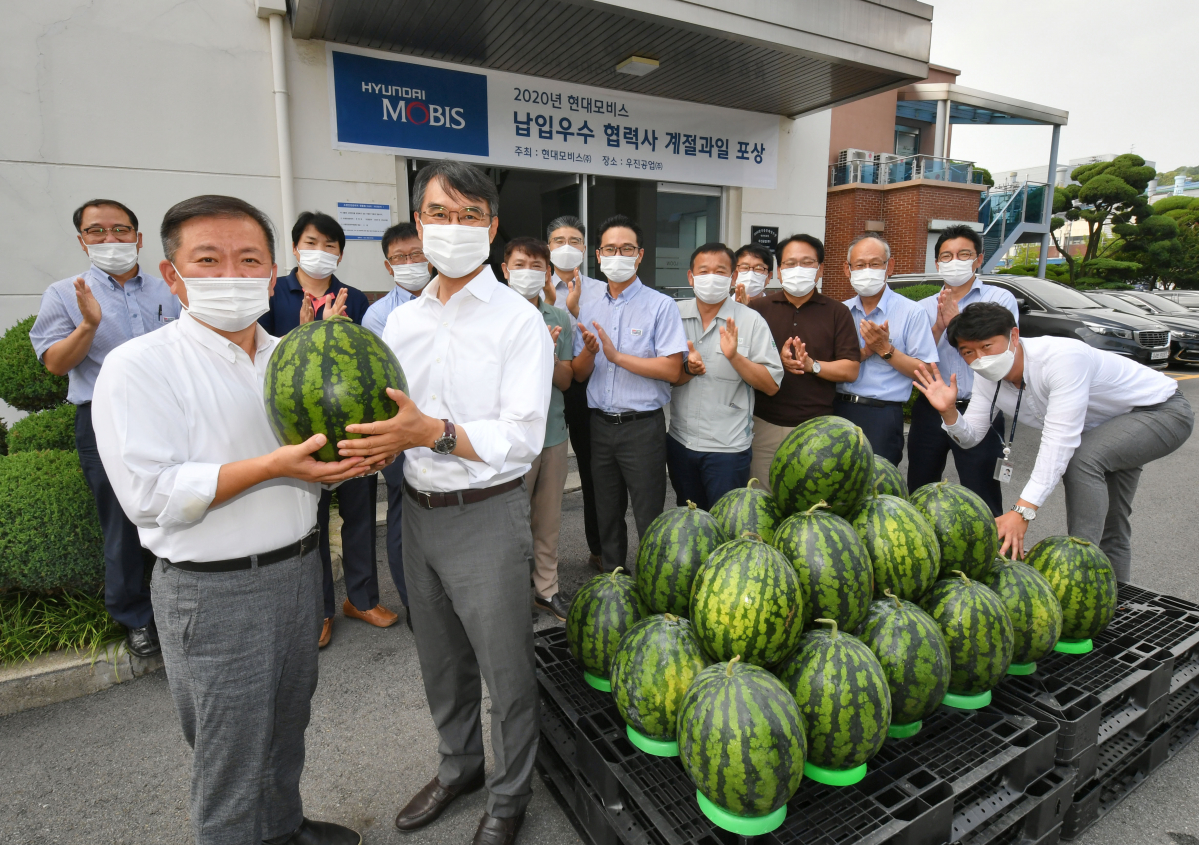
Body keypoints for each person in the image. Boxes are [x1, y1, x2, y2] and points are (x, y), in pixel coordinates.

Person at [91, 194, 368, 845]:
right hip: (213, 591)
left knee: (285, 728)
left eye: (247, 260)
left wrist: (350, 460)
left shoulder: (288, 356)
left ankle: (283, 828)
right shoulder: (139, 365)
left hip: (298, 575)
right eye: (208, 260)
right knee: (231, 763)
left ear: (271, 274)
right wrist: (272, 466)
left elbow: (317, 464)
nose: (231, 274)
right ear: (172, 274)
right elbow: (149, 495)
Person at [338, 160, 552, 845]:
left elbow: (522, 439)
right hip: (416, 513)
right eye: (438, 214)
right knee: (440, 662)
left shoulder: (518, 321)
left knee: (505, 669)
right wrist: (378, 448)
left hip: (486, 513)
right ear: (418, 223)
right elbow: (389, 419)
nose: (452, 228)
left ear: (491, 228)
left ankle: (509, 796)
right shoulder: (399, 323)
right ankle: (460, 767)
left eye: (468, 216)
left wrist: (430, 432)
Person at [913, 302, 1193, 581]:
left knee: (1082, 459)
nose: (980, 358)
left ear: (1013, 336)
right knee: (1112, 521)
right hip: (1106, 430)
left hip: (1161, 411)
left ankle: (1079, 565)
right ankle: (1115, 595)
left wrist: (1022, 511)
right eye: (968, 352)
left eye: (987, 346)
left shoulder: (1061, 359)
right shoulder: (987, 376)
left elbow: (1059, 442)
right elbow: (971, 437)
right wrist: (949, 412)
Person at [30, 198, 181, 659]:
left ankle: (178, 605)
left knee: (178, 505)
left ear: (138, 236)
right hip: (104, 417)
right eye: (97, 231)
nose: (110, 239)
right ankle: (135, 617)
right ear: (82, 240)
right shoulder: (64, 294)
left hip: (170, 412)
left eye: (120, 230)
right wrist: (88, 325)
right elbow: (56, 363)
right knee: (121, 519)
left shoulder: (169, 288)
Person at [259, 211, 397, 647]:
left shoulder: (355, 299)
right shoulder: (273, 294)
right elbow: (261, 360)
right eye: (312, 243)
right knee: (311, 524)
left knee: (360, 517)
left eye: (330, 245)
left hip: (353, 425)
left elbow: (369, 359)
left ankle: (362, 598)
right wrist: (302, 334)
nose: (321, 252)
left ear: (340, 253)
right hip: (300, 430)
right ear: (296, 247)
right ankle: (319, 610)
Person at [572, 215, 688, 573]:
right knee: (606, 512)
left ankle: (652, 583)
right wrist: (590, 351)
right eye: (610, 249)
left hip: (642, 428)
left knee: (648, 514)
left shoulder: (660, 305)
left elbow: (672, 369)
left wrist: (617, 356)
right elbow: (579, 373)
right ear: (598, 255)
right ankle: (614, 581)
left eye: (626, 249)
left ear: (640, 255)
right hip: (600, 426)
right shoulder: (589, 308)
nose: (617, 256)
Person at [908, 224, 1018, 513]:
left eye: (963, 254)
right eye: (946, 256)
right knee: (920, 486)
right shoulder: (922, 307)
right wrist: (938, 327)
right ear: (937, 263)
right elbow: (916, 360)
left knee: (982, 492)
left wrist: (956, 325)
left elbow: (1000, 353)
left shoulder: (999, 300)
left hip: (982, 406)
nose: (954, 261)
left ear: (978, 259)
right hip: (931, 408)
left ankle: (991, 538)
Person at [669, 243, 783, 508]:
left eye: (720, 271)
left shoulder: (751, 321)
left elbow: (771, 385)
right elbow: (663, 373)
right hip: (681, 442)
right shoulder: (674, 315)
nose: (711, 277)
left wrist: (735, 357)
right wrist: (687, 369)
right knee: (689, 519)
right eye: (703, 271)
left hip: (728, 450)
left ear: (733, 278)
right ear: (691, 277)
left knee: (726, 521)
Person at [746, 234, 861, 484]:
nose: (798, 269)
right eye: (790, 263)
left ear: (820, 269)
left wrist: (812, 366)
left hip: (819, 428)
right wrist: (777, 361)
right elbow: (743, 363)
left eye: (807, 262)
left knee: (812, 499)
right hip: (765, 424)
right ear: (779, 271)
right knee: (762, 496)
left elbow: (851, 369)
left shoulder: (837, 312)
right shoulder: (758, 309)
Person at [362, 221, 432, 624]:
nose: (410, 263)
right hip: (401, 431)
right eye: (400, 257)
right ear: (389, 267)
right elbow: (384, 377)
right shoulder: (378, 316)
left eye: (416, 254)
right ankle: (414, 603)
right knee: (405, 518)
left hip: (444, 426)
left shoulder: (452, 300)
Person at [502, 236, 574, 622]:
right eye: (519, 265)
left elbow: (565, 380)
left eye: (536, 266)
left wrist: (549, 355)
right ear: (504, 270)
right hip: (510, 438)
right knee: (511, 521)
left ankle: (547, 589)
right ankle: (514, 594)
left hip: (552, 435)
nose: (527, 272)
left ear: (548, 274)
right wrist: (532, 354)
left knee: (547, 518)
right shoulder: (493, 317)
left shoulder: (558, 318)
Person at [836, 233, 938, 465]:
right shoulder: (840, 312)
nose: (867, 271)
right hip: (838, 409)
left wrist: (885, 349)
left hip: (881, 415)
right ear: (847, 269)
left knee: (878, 482)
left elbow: (926, 370)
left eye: (875, 264)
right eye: (859, 265)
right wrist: (864, 352)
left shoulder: (912, 312)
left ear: (889, 266)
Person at [546, 215, 604, 569]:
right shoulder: (533, 286)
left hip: (585, 386)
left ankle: (599, 549)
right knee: (539, 473)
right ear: (548, 247)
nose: (566, 247)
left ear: (584, 248)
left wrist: (575, 311)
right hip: (547, 388)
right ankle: (536, 561)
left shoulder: (601, 290)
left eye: (574, 241)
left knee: (592, 470)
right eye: (558, 240)